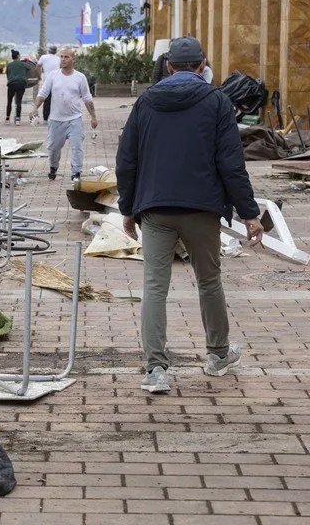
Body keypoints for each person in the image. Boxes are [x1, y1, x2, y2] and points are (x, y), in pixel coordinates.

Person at [115, 36, 264, 395]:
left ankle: (155, 369)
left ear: (168, 66)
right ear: (202, 65)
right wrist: (249, 213)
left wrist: (128, 207)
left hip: (155, 208)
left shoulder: (146, 102)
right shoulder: (217, 102)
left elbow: (127, 159)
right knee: (209, 281)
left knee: (154, 286)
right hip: (201, 208)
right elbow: (231, 163)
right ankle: (217, 355)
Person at [30, 48, 97, 182]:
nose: (63, 59)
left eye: (66, 57)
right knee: (53, 148)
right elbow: (43, 94)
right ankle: (53, 167)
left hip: (74, 119)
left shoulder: (80, 77)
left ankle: (76, 172)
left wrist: (93, 117)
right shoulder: (53, 76)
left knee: (77, 147)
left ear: (73, 59)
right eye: (61, 57)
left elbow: (87, 98)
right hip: (56, 120)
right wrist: (34, 108)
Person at [5, 50, 33, 123]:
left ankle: (7, 119)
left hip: (11, 84)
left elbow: (7, 75)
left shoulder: (9, 65)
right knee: (18, 102)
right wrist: (26, 62)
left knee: (9, 101)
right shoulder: (23, 64)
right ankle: (18, 119)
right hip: (21, 84)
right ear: (18, 56)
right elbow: (30, 67)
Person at [35, 45, 59, 122]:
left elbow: (37, 67)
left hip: (46, 82)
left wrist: (39, 77)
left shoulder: (43, 57)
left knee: (46, 100)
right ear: (56, 51)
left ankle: (45, 118)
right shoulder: (58, 59)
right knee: (56, 100)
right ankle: (55, 117)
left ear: (49, 50)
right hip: (57, 82)